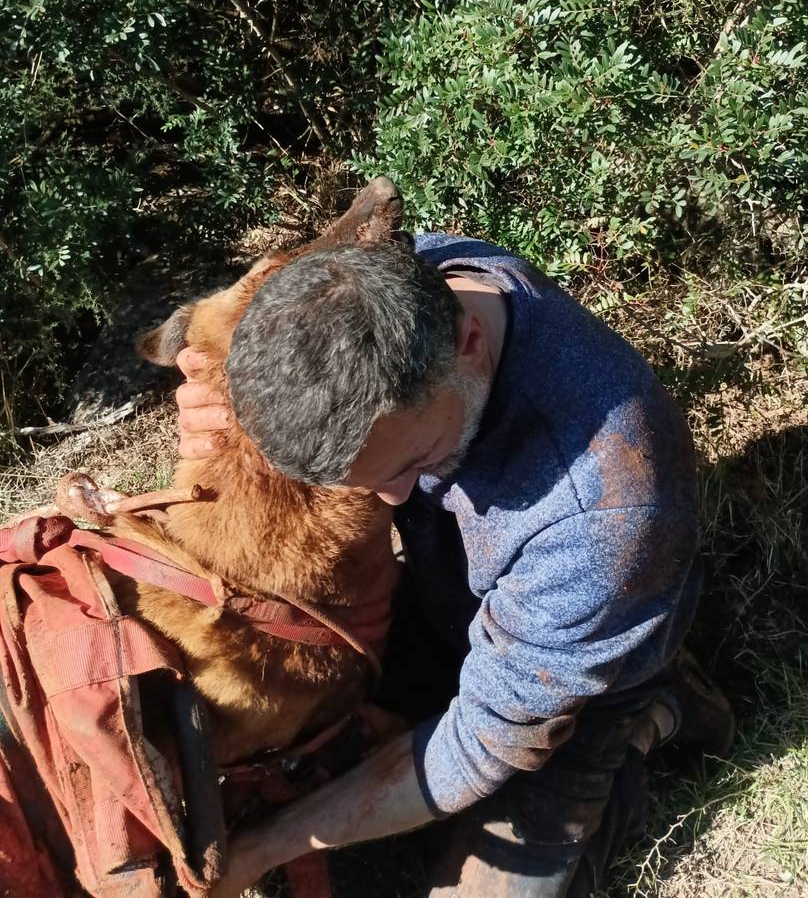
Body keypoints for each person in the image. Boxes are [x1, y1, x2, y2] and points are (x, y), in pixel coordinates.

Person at [177, 233, 735, 897]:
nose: (392, 502)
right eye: (366, 481)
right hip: (454, 610)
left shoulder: (602, 505)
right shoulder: (387, 284)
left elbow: (478, 745)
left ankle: (648, 710)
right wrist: (212, 420)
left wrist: (266, 846)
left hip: (555, 673)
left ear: (467, 341)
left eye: (413, 464)